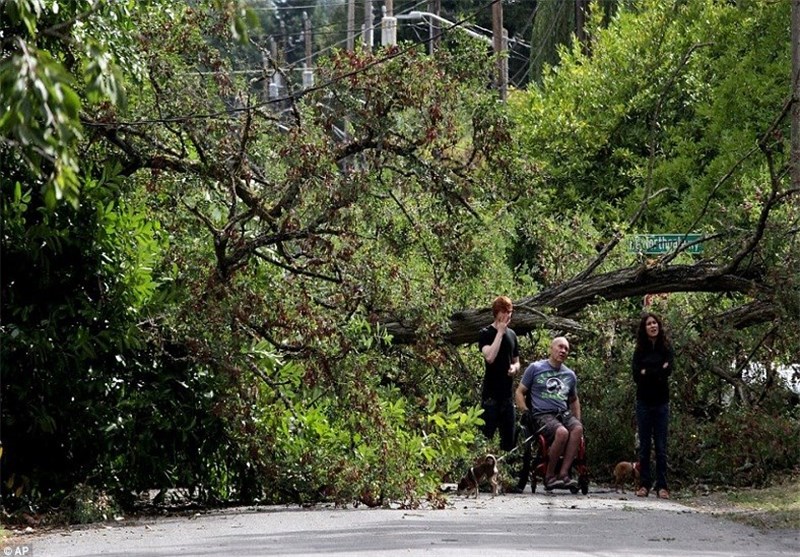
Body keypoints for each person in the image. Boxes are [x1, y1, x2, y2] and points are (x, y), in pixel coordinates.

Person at [515, 336, 583, 490]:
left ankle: (564, 474)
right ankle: (549, 476)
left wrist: (577, 419)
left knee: (577, 429)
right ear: (551, 349)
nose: (563, 351)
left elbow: (573, 400)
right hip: (542, 414)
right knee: (562, 433)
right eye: (560, 347)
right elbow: (519, 392)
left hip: (563, 413)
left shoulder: (570, 375)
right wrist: (525, 411)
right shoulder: (535, 368)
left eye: (566, 349)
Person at [632, 312, 674, 499]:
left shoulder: (666, 348)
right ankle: (644, 484)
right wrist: (657, 370)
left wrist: (647, 371)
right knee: (645, 446)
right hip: (644, 402)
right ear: (644, 328)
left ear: (659, 326)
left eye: (655, 323)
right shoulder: (639, 350)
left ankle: (662, 486)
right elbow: (636, 375)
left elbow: (669, 370)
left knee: (661, 446)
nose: (652, 326)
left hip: (661, 403)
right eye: (649, 323)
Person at [478, 296, 521, 452]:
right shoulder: (485, 333)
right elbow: (489, 357)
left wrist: (515, 368)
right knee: (484, 440)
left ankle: (506, 472)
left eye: (510, 312)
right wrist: (500, 333)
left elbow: (517, 361)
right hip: (490, 398)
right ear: (497, 313)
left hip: (507, 398)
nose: (508, 316)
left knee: (509, 443)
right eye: (504, 312)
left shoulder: (513, 335)